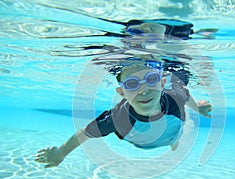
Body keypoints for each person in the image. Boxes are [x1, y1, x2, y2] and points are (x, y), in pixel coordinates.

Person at [35, 54, 212, 168]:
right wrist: (60, 153)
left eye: (151, 80)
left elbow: (186, 97)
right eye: (132, 84)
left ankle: (174, 143)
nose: (144, 90)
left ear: (162, 83)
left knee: (176, 138)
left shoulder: (174, 96)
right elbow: (85, 133)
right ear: (122, 92)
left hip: (173, 134)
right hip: (139, 142)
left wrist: (199, 109)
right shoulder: (117, 118)